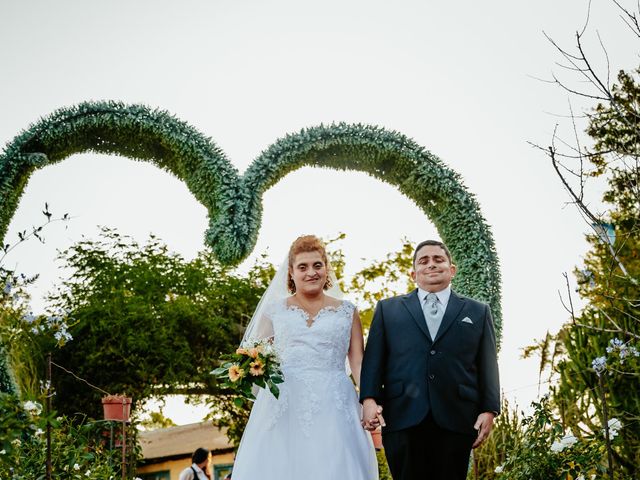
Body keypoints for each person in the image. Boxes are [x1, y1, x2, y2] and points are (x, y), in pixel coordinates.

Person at [230, 235, 378, 480]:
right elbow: (255, 354)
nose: (311, 272)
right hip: (284, 403)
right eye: (303, 267)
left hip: (336, 402)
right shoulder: (274, 311)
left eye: (317, 265)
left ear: (326, 268)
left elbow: (358, 363)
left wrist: (369, 400)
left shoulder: (347, 311)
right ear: (291, 272)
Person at [360, 240, 500, 480]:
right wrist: (369, 400)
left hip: (457, 417)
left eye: (438, 259)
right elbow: (374, 360)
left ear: (452, 269)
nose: (431, 265)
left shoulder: (478, 311)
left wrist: (489, 410)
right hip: (403, 416)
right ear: (413, 273)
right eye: (423, 261)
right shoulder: (388, 309)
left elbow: (488, 364)